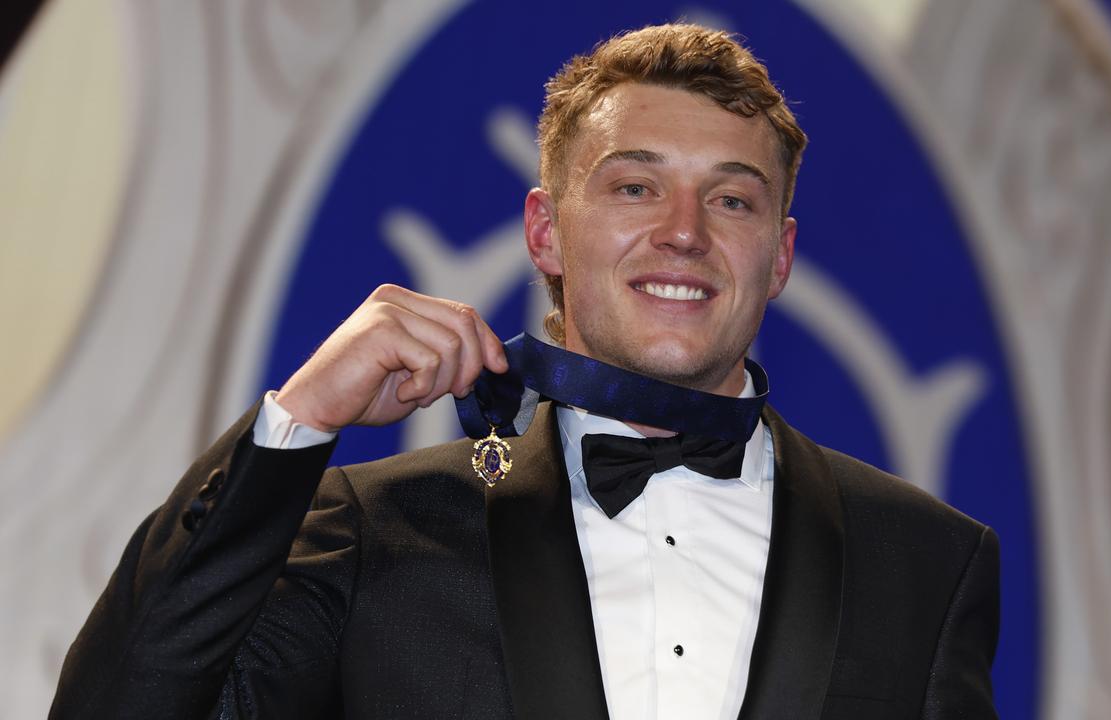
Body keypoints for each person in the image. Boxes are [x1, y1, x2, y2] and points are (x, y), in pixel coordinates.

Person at [51, 24, 999, 719]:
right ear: (545, 230)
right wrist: (297, 422)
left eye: (733, 200)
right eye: (635, 186)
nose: (684, 231)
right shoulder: (376, 531)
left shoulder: (925, 559)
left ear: (780, 256)